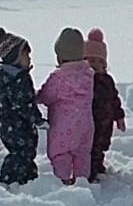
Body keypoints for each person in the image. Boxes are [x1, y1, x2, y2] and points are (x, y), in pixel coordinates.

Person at [37, 27, 99, 186]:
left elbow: (47, 96)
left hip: (63, 125)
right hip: (85, 124)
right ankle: (82, 180)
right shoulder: (88, 74)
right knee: (82, 153)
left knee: (60, 153)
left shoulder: (58, 77)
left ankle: (63, 179)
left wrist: (36, 98)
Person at [0, 32, 44, 185]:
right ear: (15, 58)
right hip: (20, 124)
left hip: (5, 123)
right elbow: (25, 104)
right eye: (26, 56)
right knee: (23, 152)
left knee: (19, 151)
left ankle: (25, 176)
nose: (30, 59)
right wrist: (38, 120)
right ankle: (12, 178)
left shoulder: (0, 76)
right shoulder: (19, 80)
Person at [84, 27, 126, 179]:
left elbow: (114, 99)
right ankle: (90, 172)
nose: (94, 64)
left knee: (101, 146)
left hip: (106, 122)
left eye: (98, 61)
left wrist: (119, 117)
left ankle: (98, 165)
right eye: (90, 60)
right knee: (91, 147)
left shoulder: (107, 80)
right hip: (90, 121)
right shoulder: (84, 80)